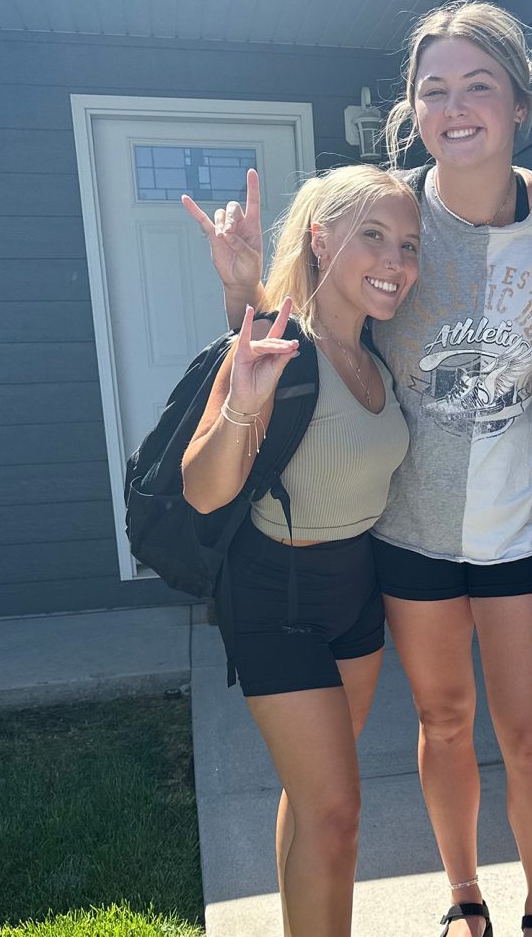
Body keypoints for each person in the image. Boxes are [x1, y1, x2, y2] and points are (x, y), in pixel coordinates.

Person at [186, 0, 532, 937]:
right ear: (411, 107)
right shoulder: (393, 215)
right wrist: (242, 292)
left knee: (531, 741)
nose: (456, 108)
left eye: (478, 86)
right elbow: (304, 316)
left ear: (519, 104)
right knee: (444, 724)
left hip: (527, 527)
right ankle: (463, 898)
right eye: (434, 89)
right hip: (410, 531)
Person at [180, 165, 421, 937]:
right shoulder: (277, 345)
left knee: (315, 799)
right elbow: (204, 489)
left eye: (409, 245)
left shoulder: (374, 357)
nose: (394, 262)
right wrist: (243, 402)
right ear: (322, 240)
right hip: (276, 596)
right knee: (336, 812)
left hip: (355, 593)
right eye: (373, 237)